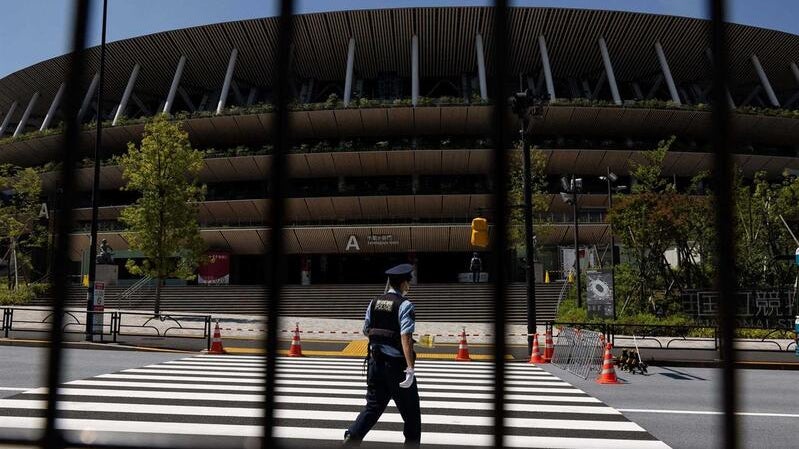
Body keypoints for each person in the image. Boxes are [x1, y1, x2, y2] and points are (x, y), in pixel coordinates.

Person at [345, 263, 421, 447]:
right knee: (411, 416)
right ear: (403, 283)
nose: (409, 285)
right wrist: (410, 368)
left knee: (373, 407)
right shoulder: (405, 305)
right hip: (396, 368)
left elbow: (366, 330)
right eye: (408, 281)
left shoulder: (374, 302)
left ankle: (351, 439)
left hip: (375, 364)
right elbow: (406, 337)